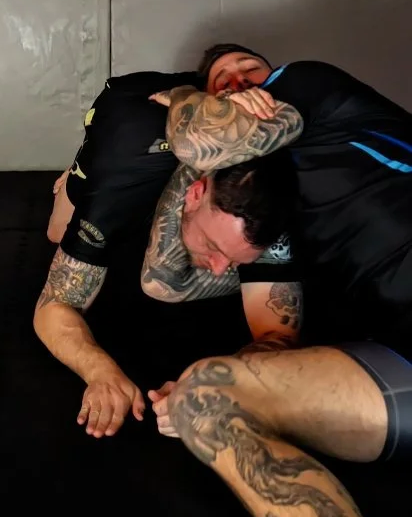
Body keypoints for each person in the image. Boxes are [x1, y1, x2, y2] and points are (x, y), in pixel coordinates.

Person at [148, 44, 412, 517]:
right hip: (402, 357)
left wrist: (185, 94)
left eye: (249, 69)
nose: (238, 82)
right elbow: (164, 281)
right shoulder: (267, 208)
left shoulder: (313, 88)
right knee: (205, 397)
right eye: (221, 80)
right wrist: (229, 390)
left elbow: (197, 136)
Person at [33, 69, 301, 439]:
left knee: (161, 282)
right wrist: (99, 371)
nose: (220, 270)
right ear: (194, 195)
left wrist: (214, 385)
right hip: (127, 115)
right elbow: (55, 303)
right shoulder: (124, 176)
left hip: (215, 134)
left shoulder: (270, 199)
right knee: (57, 229)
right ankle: (79, 169)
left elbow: (277, 333)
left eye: (236, 260)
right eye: (213, 246)